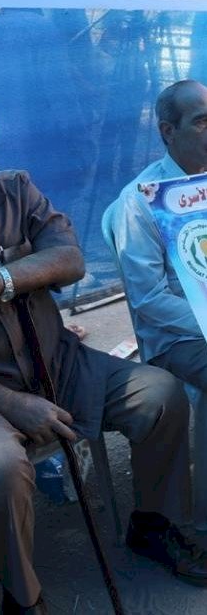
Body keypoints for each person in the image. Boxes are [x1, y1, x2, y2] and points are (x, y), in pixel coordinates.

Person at [0, 85, 207, 615]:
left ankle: (155, 524)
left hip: (57, 363)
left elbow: (70, 259)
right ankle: (22, 597)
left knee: (159, 395)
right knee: (0, 470)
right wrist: (13, 404)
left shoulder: (17, 192)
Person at [111, 79, 207, 390]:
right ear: (168, 131)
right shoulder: (139, 202)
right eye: (202, 122)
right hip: (178, 338)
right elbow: (150, 300)